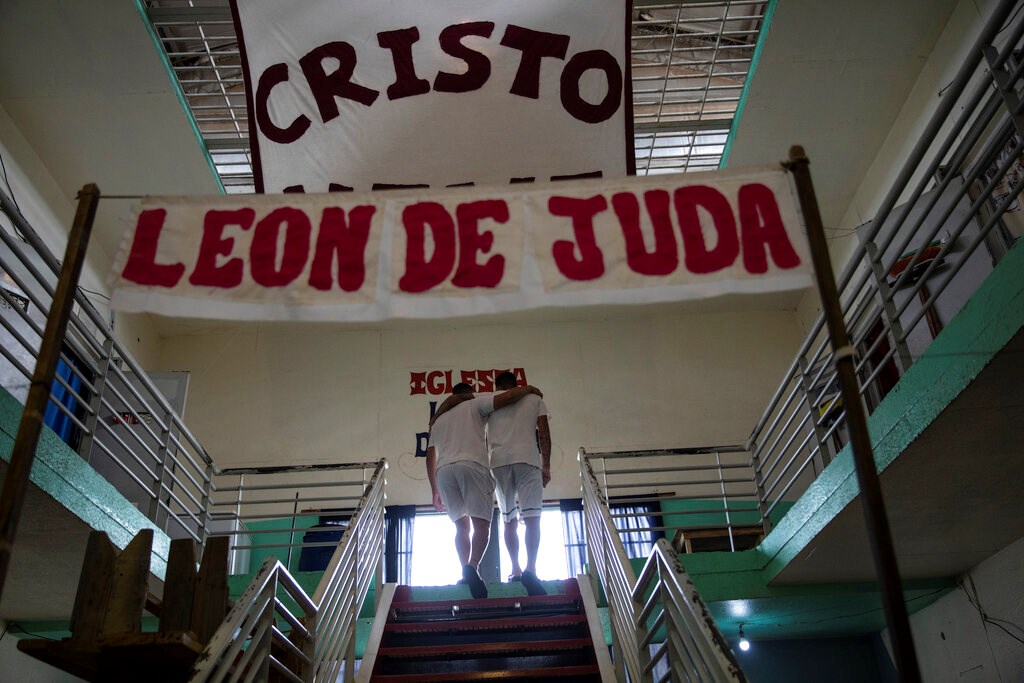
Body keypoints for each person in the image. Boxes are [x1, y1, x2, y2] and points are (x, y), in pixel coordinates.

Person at [426, 381, 543, 598]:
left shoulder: (439, 420)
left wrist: (434, 490)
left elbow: (430, 455)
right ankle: (472, 565)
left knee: (461, 526)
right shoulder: (474, 404)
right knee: (482, 526)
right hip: (472, 465)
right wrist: (527, 389)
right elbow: (505, 398)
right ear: (469, 394)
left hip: (444, 472)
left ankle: (465, 572)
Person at [486, 371, 551, 596]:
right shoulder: (534, 399)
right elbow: (544, 434)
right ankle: (530, 568)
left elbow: (481, 436)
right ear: (517, 384)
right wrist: (547, 465)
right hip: (528, 459)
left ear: (497, 386)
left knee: (508, 519)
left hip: (499, 461)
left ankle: (514, 569)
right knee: (533, 518)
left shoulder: (490, 402)